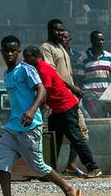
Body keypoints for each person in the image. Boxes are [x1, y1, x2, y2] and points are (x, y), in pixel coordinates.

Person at [0, 36, 78, 196]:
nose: (9, 53)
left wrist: (32, 111)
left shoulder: (26, 69)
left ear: (18, 52)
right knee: (2, 166)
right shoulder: (7, 74)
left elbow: (42, 90)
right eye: (6, 50)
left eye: (13, 50)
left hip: (30, 127)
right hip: (12, 127)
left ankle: (68, 189)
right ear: (2, 52)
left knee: (39, 167)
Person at [24, 45, 101, 178]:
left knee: (76, 138)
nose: (24, 60)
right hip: (58, 109)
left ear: (36, 57)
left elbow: (44, 94)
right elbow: (58, 80)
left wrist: (36, 113)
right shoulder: (39, 68)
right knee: (54, 139)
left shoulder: (43, 70)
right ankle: (50, 171)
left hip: (66, 107)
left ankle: (93, 168)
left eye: (27, 57)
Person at [75, 31, 111, 118]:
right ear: (92, 41)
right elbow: (78, 79)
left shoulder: (109, 56)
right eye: (98, 40)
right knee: (98, 116)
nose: (101, 42)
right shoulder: (83, 58)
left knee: (109, 118)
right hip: (90, 94)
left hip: (106, 94)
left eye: (102, 40)